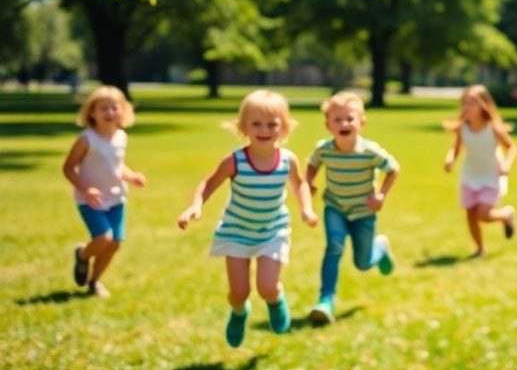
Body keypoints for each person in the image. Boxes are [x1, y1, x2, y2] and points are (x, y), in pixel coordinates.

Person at [177, 90, 317, 347]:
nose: (264, 130)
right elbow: (208, 183)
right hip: (236, 232)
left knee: (267, 287)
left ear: (284, 127)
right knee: (239, 292)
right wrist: (196, 205)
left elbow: (300, 185)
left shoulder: (287, 160)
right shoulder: (236, 161)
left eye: (272, 124)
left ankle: (275, 301)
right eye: (256, 124)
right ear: (243, 127)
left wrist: (306, 209)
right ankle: (240, 312)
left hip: (272, 231)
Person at [306, 92, 399, 326]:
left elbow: (393, 169)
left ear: (362, 122)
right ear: (328, 125)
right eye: (337, 119)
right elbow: (312, 163)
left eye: (350, 119)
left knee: (363, 263)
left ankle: (380, 248)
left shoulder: (370, 151)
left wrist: (381, 195)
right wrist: (309, 182)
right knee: (334, 248)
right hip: (335, 207)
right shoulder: (324, 149)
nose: (344, 124)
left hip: (364, 213)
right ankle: (325, 301)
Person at [62, 85, 147, 299]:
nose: (109, 112)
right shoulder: (87, 139)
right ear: (92, 112)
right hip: (90, 200)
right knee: (103, 238)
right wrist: (86, 189)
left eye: (114, 108)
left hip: (116, 197)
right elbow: (68, 167)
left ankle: (94, 282)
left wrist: (132, 176)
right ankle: (82, 255)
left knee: (115, 243)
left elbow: (116, 166)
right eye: (103, 108)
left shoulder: (121, 137)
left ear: (123, 111)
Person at [443, 84, 517, 258]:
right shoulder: (463, 128)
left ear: (483, 105)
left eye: (471, 103)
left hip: (491, 177)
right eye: (464, 103)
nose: (466, 107)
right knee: (471, 215)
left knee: (483, 214)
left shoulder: (493, 128)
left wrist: (507, 165)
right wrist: (450, 159)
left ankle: (506, 215)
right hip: (469, 177)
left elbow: (512, 147)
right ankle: (479, 249)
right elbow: (456, 149)